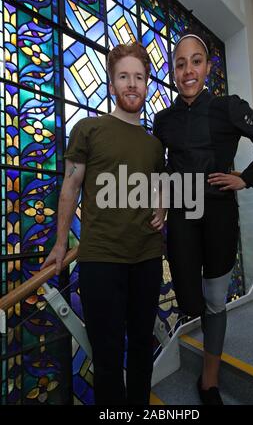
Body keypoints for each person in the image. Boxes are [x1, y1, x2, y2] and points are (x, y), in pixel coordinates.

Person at [153, 30, 253, 405]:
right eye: (180, 64)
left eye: (196, 61)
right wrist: (160, 203)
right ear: (173, 71)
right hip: (182, 216)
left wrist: (245, 177)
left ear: (208, 68)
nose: (188, 70)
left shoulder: (229, 106)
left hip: (219, 214)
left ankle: (209, 382)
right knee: (190, 299)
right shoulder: (163, 120)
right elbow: (161, 168)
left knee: (213, 300)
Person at [41, 42, 166, 405]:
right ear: (112, 84)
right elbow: (71, 185)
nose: (132, 84)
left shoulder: (155, 144)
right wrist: (61, 244)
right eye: (124, 76)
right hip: (101, 261)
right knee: (107, 357)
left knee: (142, 347)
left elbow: (158, 186)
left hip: (146, 258)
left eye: (139, 77)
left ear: (147, 84)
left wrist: (164, 209)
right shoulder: (88, 129)